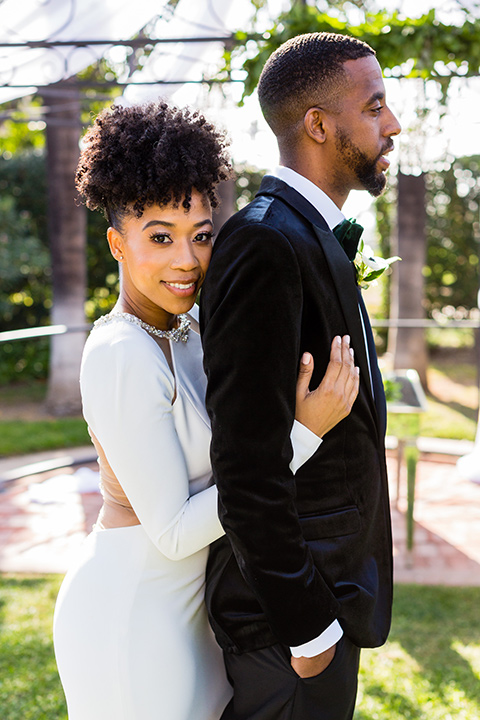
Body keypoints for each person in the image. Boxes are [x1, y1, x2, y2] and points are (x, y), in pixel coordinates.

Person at [53, 101, 359, 720]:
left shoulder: (191, 328)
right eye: (159, 237)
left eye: (201, 235)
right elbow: (169, 533)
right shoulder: (120, 353)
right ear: (117, 242)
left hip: (199, 612)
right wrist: (301, 437)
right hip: (135, 612)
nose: (187, 260)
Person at [200, 31, 401, 720]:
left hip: (327, 602)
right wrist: (307, 627)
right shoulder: (264, 242)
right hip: (288, 624)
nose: (393, 124)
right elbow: (245, 465)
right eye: (375, 106)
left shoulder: (306, 233)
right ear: (318, 124)